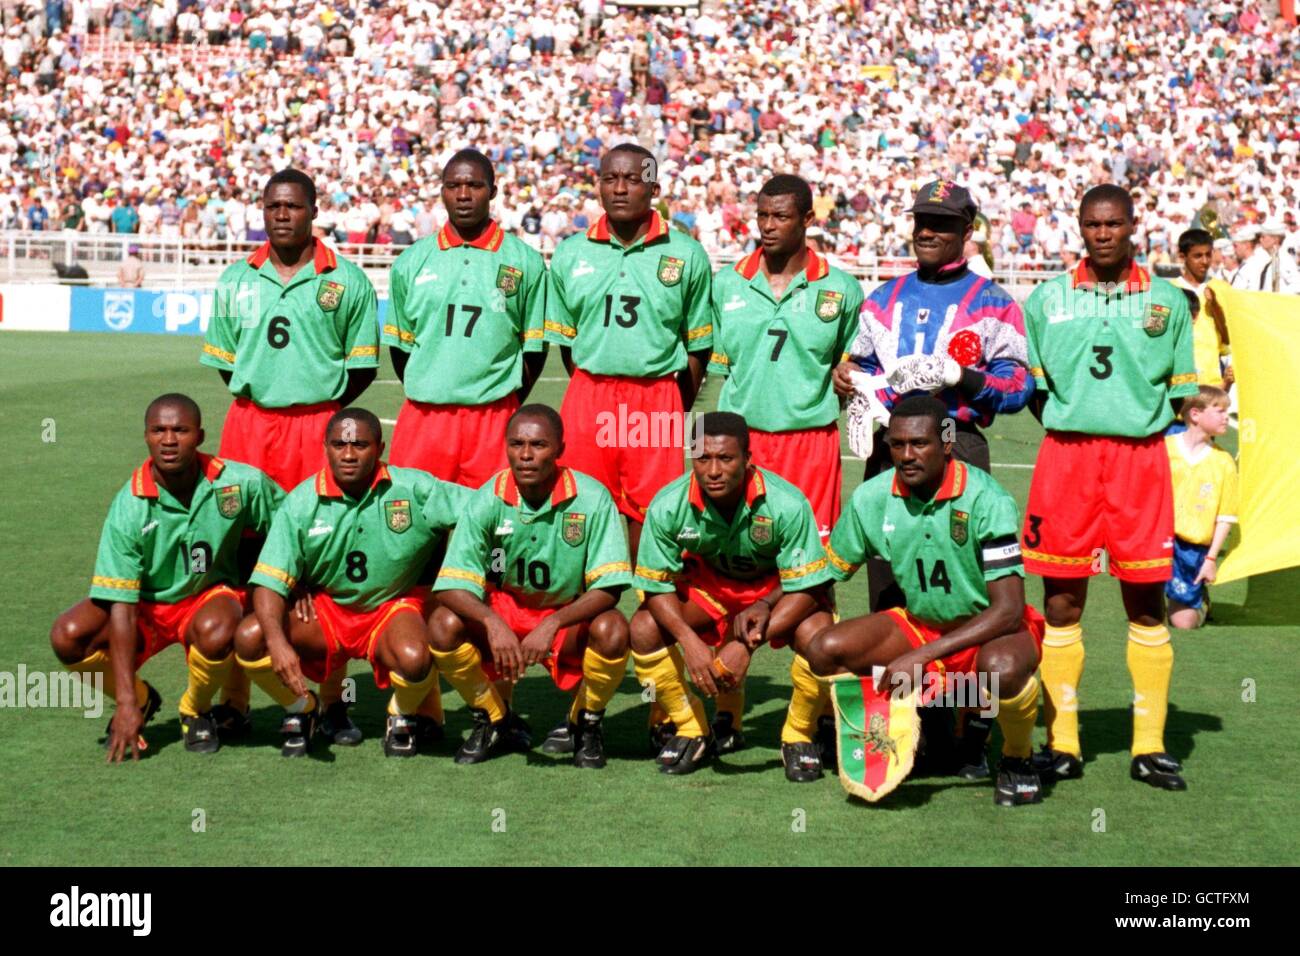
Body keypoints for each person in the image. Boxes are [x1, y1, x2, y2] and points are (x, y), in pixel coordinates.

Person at [1022, 184, 1198, 791]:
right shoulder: (1046, 300)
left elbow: (1180, 394)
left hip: (1140, 461)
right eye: (1093, 224)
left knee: (1145, 601)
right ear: (1080, 227)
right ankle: (1063, 742)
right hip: (1067, 458)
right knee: (1061, 602)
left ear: (1132, 227)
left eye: (1114, 224)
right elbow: (1038, 395)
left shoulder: (1168, 302)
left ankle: (1148, 745)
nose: (1103, 234)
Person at [201, 168, 380, 742]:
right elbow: (229, 365)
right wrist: (270, 396)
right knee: (240, 555)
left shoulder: (345, 280)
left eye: (293, 206)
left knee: (321, 558)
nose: (282, 215)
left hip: (316, 428)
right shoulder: (236, 280)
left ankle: (329, 702)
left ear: (312, 211)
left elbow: (362, 368)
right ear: (263, 210)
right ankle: (235, 698)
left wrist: (313, 408)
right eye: (273, 206)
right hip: (249, 427)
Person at [805, 395, 1046, 806]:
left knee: (1001, 671)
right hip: (918, 624)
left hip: (988, 631)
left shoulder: (988, 500)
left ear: (947, 442)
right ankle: (892, 728)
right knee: (826, 649)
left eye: (919, 443)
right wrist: (763, 604)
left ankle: (1016, 758)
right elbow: (826, 572)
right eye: (896, 445)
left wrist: (923, 658)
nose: (906, 455)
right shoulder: (872, 497)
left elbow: (1007, 611)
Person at [833, 180, 1034, 616]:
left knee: (962, 582)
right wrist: (848, 378)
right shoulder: (882, 298)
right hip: (891, 447)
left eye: (941, 224)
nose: (926, 232)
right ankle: (892, 678)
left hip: (956, 441)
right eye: (921, 221)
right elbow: (862, 366)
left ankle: (960, 679)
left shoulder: (994, 303)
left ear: (967, 232)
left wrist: (962, 376)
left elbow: (1019, 387)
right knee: (887, 578)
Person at [49, 394, 282, 761]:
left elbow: (288, 527)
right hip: (145, 606)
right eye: (159, 430)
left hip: (209, 597)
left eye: (180, 430)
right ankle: (142, 700)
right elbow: (121, 609)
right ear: (146, 436)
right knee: (68, 636)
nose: (169, 440)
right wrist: (125, 701)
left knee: (220, 627)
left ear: (200, 435)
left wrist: (287, 585)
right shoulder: (129, 505)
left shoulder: (239, 483)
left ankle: (195, 710)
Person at [236, 408, 468, 757]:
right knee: (252, 638)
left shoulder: (415, 489)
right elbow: (268, 583)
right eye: (338, 445)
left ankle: (400, 715)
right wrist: (279, 643)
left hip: (390, 609)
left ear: (380, 447)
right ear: (325, 447)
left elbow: (484, 511)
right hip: (326, 611)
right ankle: (303, 708)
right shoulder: (301, 502)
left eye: (359, 445)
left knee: (416, 657)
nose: (348, 454)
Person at [630, 412, 836, 779]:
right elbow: (655, 585)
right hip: (712, 589)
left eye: (725, 459)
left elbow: (810, 585)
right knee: (644, 627)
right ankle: (692, 727)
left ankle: (799, 733)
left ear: (748, 459)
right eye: (703, 458)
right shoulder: (667, 505)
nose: (713, 470)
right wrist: (689, 640)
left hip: (779, 593)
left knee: (819, 636)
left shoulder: (786, 503)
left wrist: (745, 645)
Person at [429, 405, 633, 768]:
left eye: (538, 444)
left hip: (564, 614)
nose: (525, 455)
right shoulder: (488, 497)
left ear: (560, 449)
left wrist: (553, 624)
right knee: (443, 623)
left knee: (614, 628)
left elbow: (610, 588)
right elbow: (449, 585)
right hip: (505, 609)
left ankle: (585, 724)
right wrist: (492, 622)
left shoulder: (592, 497)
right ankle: (494, 719)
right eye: (516, 444)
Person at [545, 143, 714, 562]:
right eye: (609, 178)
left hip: (656, 397)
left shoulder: (685, 253)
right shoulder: (571, 251)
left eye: (632, 179)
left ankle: (648, 619)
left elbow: (699, 346)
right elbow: (567, 344)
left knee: (653, 520)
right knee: (577, 515)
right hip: (589, 394)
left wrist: (674, 406)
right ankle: (583, 623)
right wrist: (596, 381)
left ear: (653, 187)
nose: (619, 188)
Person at [709, 174, 863, 541]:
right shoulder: (727, 283)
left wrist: (849, 371)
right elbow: (719, 372)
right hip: (741, 439)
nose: (767, 226)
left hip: (811, 440)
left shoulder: (842, 289)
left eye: (780, 217)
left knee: (812, 558)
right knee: (735, 553)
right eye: (761, 215)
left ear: (808, 219)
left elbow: (853, 364)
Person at [384, 148, 548, 488]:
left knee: (494, 531)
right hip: (424, 417)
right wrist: (431, 384)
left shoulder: (525, 261)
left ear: (493, 191)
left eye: (474, 185)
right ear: (441, 191)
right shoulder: (412, 262)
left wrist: (505, 398)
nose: (462, 195)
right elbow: (400, 349)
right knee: (416, 529)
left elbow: (534, 349)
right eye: (452, 185)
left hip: (493, 416)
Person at [1165, 387, 1238, 630]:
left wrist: (1210, 559)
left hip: (1192, 549)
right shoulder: (1163, 448)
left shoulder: (1224, 462)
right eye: (1220, 411)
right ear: (1195, 414)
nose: (1227, 416)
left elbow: (1225, 517)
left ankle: (1200, 603)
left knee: (1183, 623)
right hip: (1157, 542)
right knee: (1146, 614)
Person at [1173, 228, 1232, 389]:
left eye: (1208, 254)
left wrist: (1215, 308)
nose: (1205, 261)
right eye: (1197, 256)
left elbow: (1228, 339)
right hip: (1179, 379)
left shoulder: (1222, 289)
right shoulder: (1169, 291)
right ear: (1182, 256)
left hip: (1213, 379)